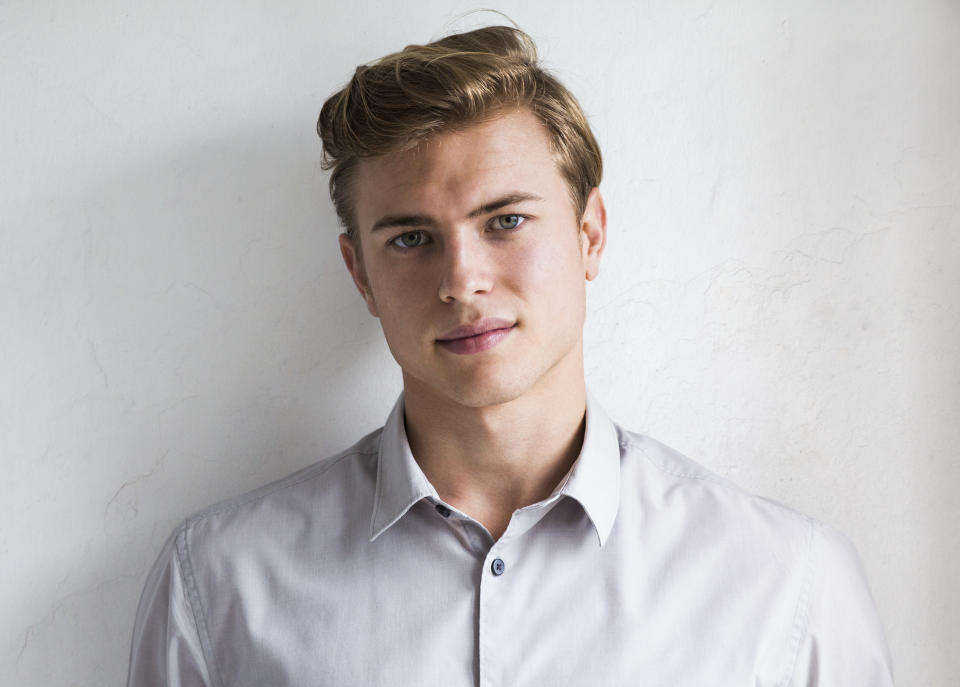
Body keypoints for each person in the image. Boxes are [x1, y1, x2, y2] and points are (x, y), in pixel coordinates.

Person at [127, 25, 894, 686]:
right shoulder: (219, 580)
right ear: (359, 271)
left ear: (589, 233)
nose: (463, 281)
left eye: (506, 221)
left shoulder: (785, 581)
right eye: (411, 239)